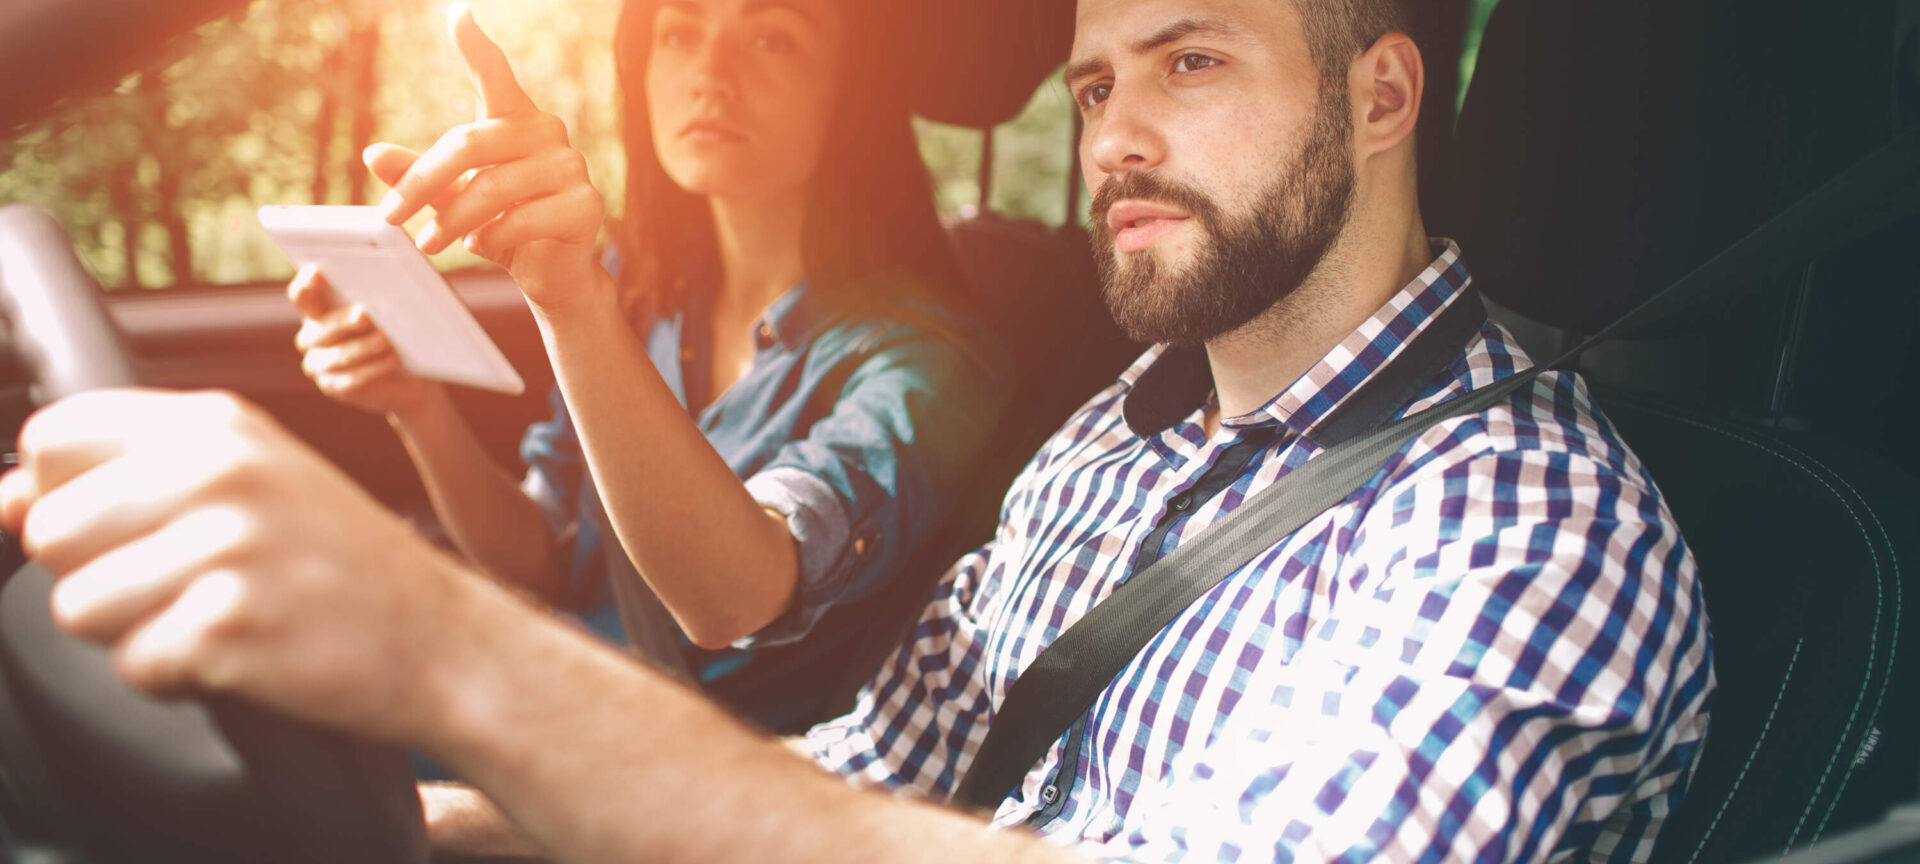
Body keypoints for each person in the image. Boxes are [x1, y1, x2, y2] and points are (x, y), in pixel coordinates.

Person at [0, 0, 1713, 860]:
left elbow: (739, 614)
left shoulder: (1526, 511)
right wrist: (439, 807)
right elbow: (866, 765)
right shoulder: (1114, 445)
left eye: (1189, 63)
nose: (1113, 135)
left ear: (1383, 94)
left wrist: (458, 663)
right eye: (1098, 86)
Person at [284, 0, 1004, 732]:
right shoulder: (641, 291)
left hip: (672, 780)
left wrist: (569, 305)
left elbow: (735, 599)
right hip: (542, 693)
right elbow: (539, 559)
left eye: (769, 37)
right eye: (680, 33)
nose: (709, 76)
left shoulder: (928, 365)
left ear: (851, 91)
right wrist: (418, 408)